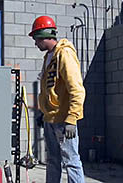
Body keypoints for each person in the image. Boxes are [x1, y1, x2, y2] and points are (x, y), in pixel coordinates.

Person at [28, 16, 86, 183]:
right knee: (53, 161)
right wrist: (42, 112)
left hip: (63, 119)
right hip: (50, 119)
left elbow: (76, 88)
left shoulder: (64, 53)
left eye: (36, 39)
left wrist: (72, 119)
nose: (35, 43)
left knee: (71, 161)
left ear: (44, 35)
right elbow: (49, 89)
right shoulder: (48, 57)